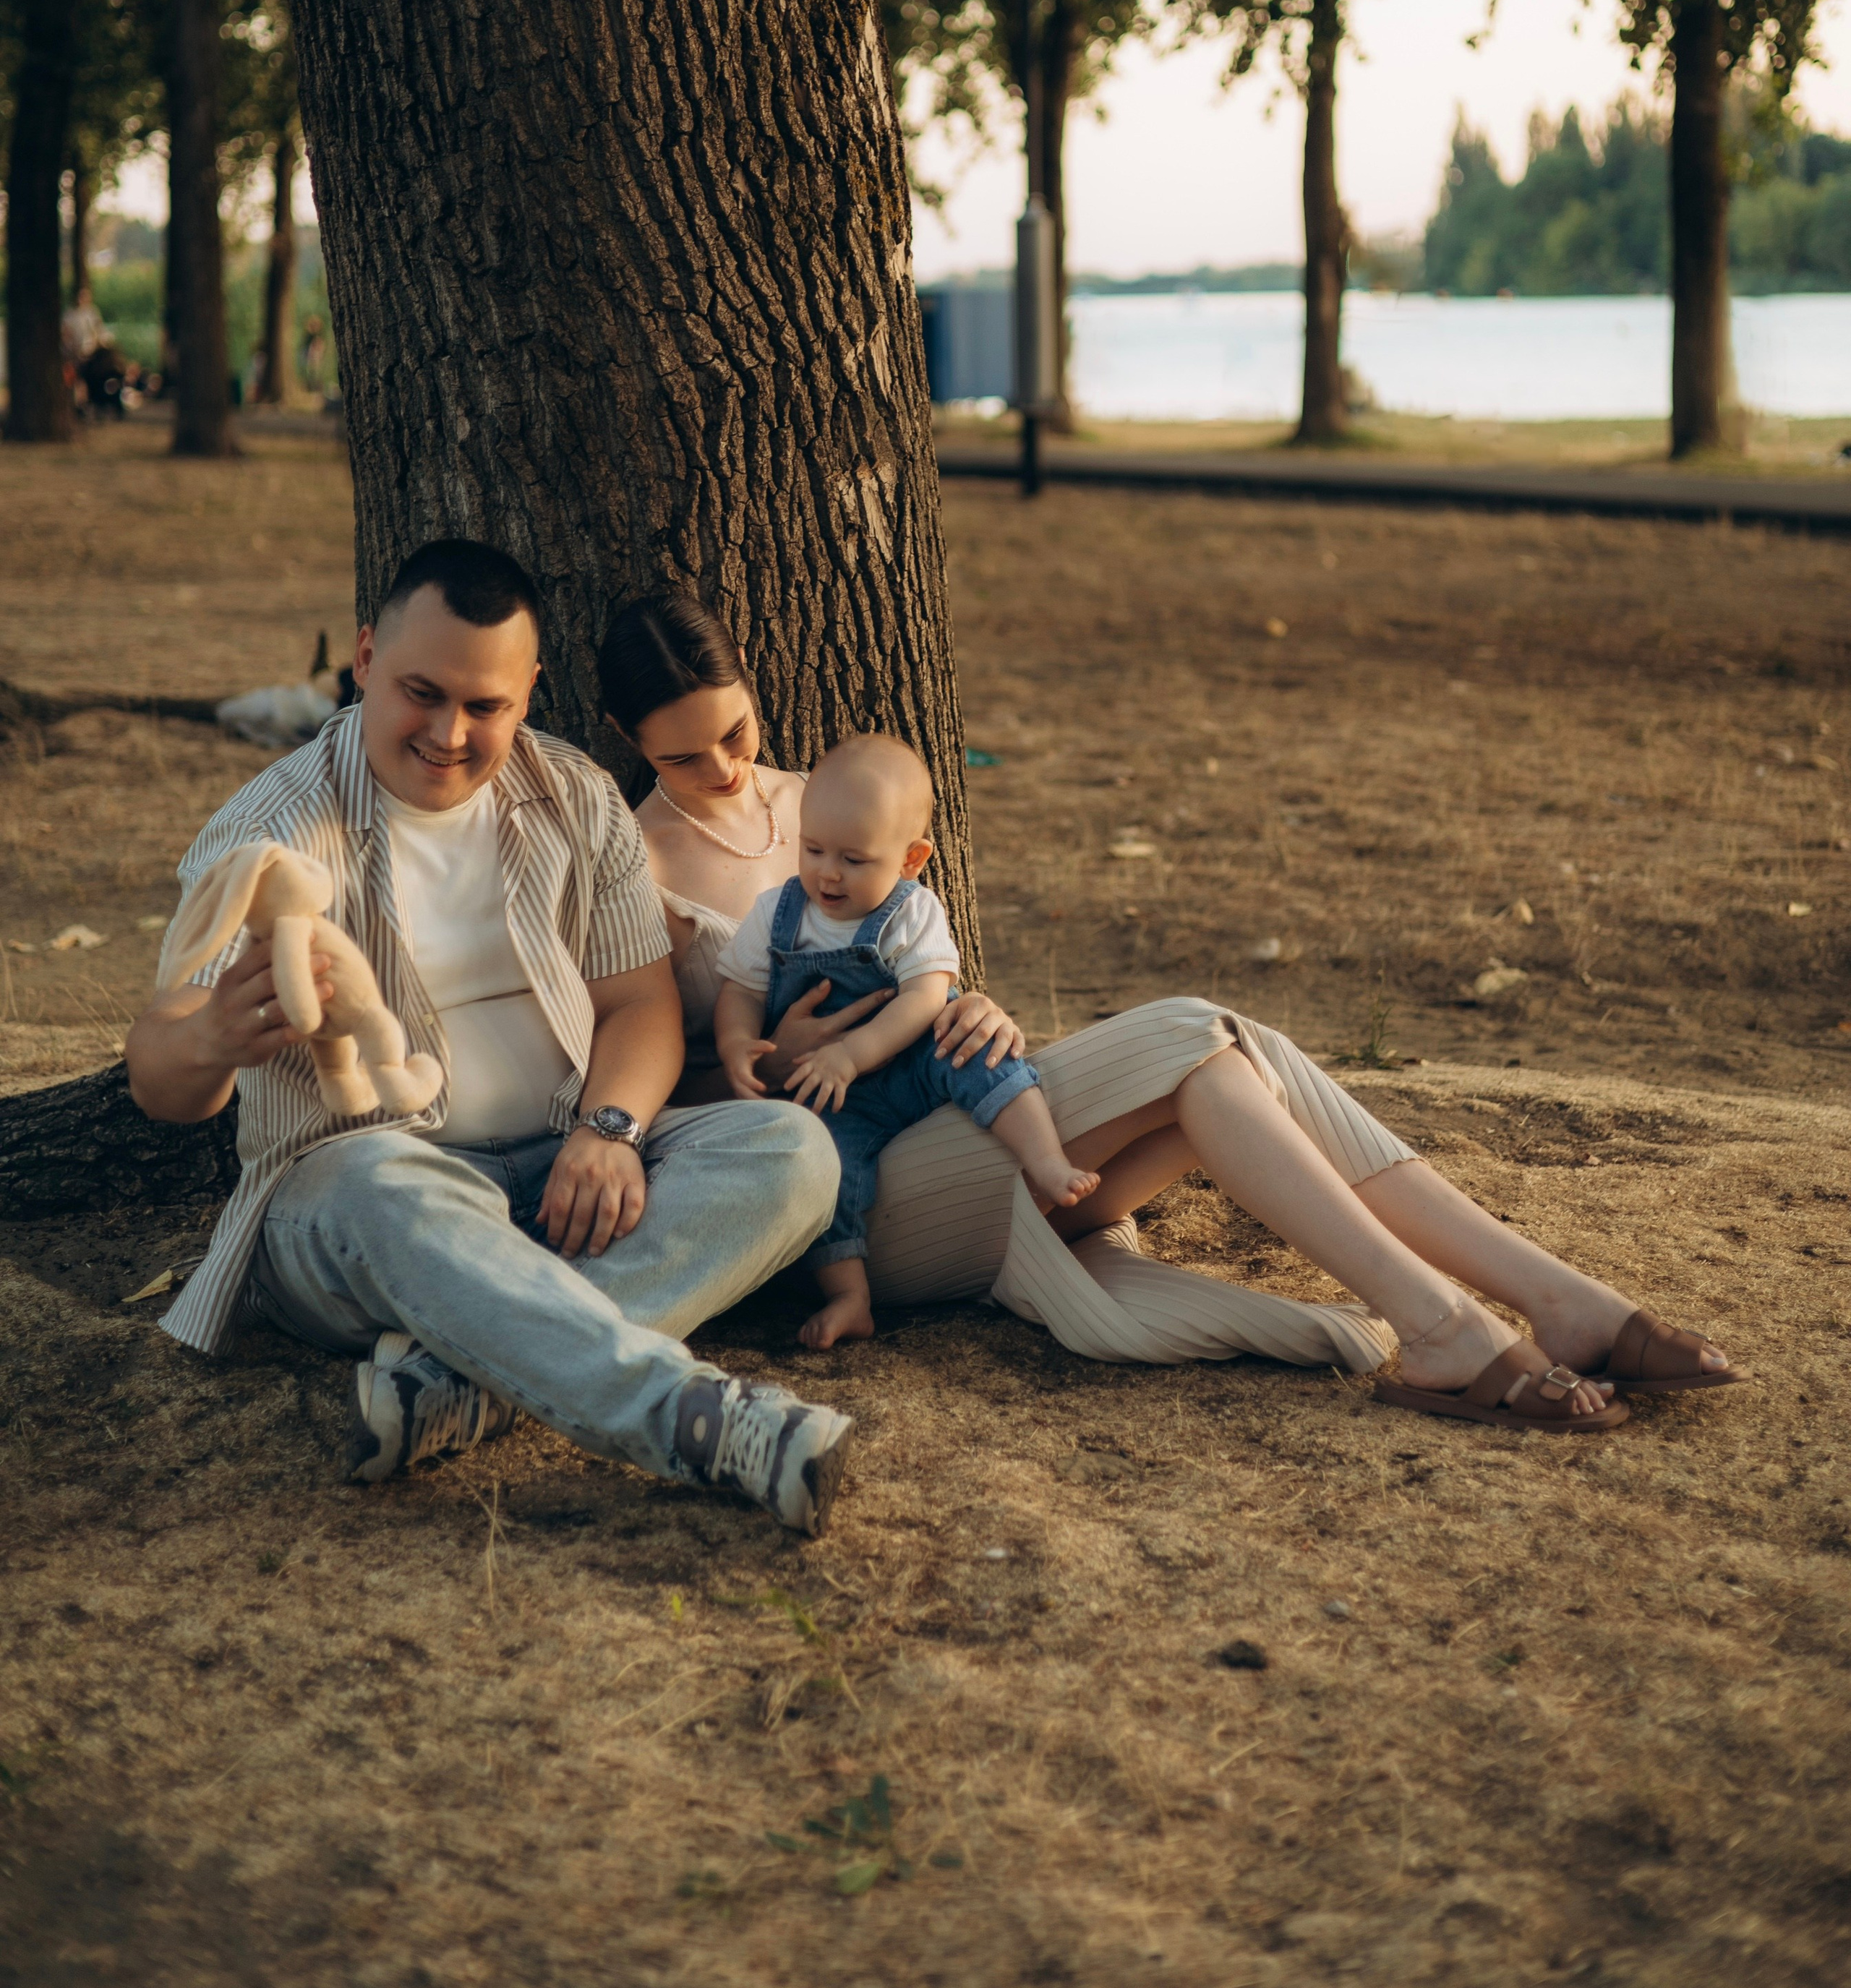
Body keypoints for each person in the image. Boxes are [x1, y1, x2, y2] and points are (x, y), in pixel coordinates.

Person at [599, 591, 1743, 1433]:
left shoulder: (828, 799)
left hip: (950, 1109)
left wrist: (966, 1005)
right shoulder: (632, 866)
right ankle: (1480, 1322)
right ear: (630, 745)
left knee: (1230, 1058)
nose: (730, 769)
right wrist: (761, 1059)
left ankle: (1530, 1305)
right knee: (1201, 1030)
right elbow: (648, 1080)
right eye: (687, 757)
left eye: (739, 734)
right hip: (845, 1196)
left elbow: (922, 961)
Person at [124, 540, 856, 1535]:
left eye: (486, 706)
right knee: (381, 1185)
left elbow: (638, 1005)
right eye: (422, 692)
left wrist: (610, 1129)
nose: (449, 732)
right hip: (365, 1197)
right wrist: (212, 1033)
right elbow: (159, 1075)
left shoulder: (573, 795)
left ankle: (466, 1378)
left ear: (530, 691)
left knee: (793, 1151)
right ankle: (692, 1419)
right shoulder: (277, 827)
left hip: (564, 1171)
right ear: (367, 657)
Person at [714, 734, 1098, 1348]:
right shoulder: (775, 913)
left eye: (855, 859)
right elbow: (741, 991)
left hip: (914, 1054)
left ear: (911, 858)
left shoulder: (911, 910)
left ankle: (1047, 1161)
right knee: (821, 1167)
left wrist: (853, 1052)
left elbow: (924, 997)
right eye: (813, 850)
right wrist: (738, 1045)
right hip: (830, 1089)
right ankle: (850, 1296)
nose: (828, 873)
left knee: (982, 1057)